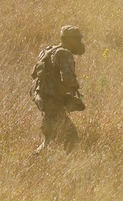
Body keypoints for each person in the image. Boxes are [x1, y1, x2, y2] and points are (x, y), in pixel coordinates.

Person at [32, 26, 87, 154]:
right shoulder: (64, 53)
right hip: (52, 101)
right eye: (77, 39)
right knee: (71, 136)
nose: (80, 43)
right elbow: (67, 78)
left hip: (42, 98)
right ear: (69, 40)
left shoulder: (48, 51)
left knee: (50, 138)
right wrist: (75, 86)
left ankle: (39, 160)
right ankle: (67, 165)